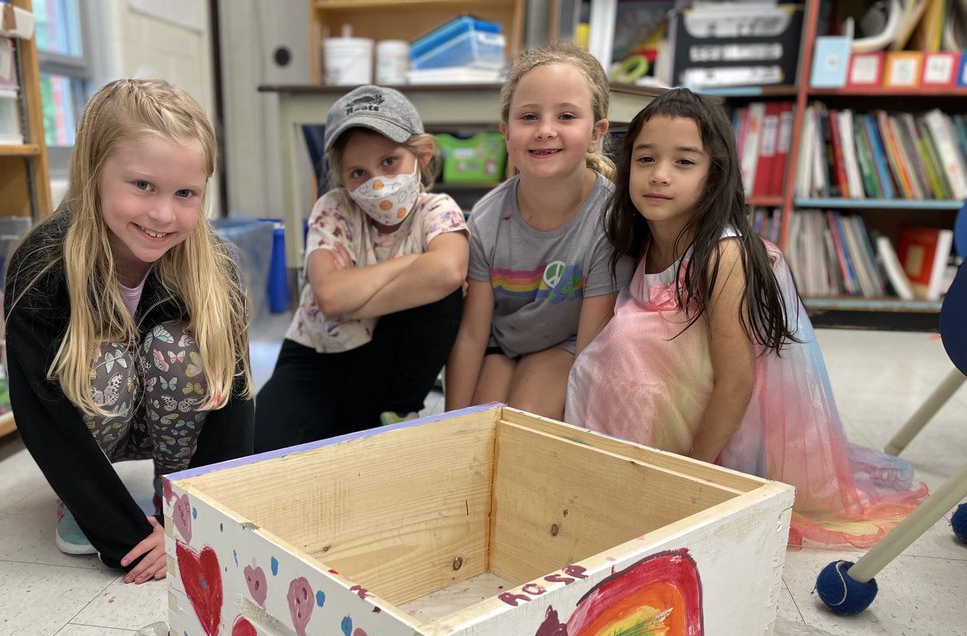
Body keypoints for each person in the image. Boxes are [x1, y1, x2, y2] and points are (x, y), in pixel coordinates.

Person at [564, 87, 927, 547]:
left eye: (684, 162)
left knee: (629, 343)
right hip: (672, 399)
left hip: (713, 428)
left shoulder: (722, 254)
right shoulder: (639, 240)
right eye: (645, 159)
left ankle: (654, 480)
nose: (659, 176)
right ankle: (613, 479)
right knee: (601, 355)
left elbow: (736, 382)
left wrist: (691, 474)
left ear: (714, 177)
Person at [5, 79, 253, 583]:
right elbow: (41, 412)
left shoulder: (214, 266)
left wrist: (195, 523)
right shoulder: (42, 264)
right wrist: (122, 534)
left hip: (172, 426)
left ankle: (173, 492)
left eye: (186, 193)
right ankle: (84, 506)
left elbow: (237, 399)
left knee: (179, 349)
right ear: (93, 173)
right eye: (142, 185)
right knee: (99, 360)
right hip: (91, 426)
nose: (163, 214)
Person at [253, 84, 468, 452]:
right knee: (258, 453)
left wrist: (354, 298)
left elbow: (448, 271)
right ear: (341, 179)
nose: (377, 184)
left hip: (386, 366)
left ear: (423, 154)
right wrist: (412, 263)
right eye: (358, 173)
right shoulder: (334, 207)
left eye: (389, 162)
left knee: (443, 295)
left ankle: (397, 412)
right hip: (316, 354)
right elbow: (330, 296)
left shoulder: (436, 209)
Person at [444, 41, 631, 419]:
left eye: (566, 116)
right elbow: (471, 335)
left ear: (597, 133)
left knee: (524, 419)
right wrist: (447, 427)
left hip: (565, 344)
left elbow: (590, 349)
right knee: (479, 423)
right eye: (529, 117)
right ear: (505, 132)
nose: (545, 130)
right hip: (503, 343)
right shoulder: (485, 218)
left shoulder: (610, 219)